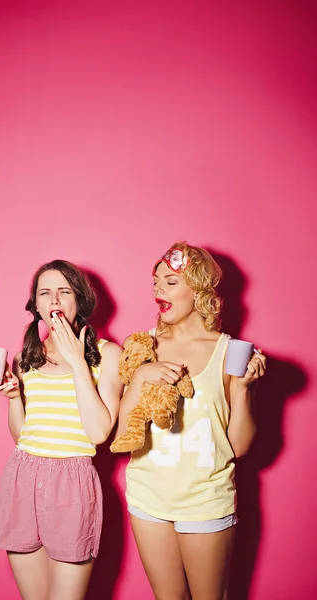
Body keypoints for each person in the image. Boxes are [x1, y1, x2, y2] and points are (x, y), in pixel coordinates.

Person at [115, 241, 266, 600]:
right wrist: (140, 377)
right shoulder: (141, 347)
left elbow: (239, 447)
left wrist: (243, 390)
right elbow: (123, 433)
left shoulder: (231, 352)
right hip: (147, 497)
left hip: (205, 498)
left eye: (169, 282)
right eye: (155, 283)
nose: (157, 291)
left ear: (198, 289)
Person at [0, 260, 123, 600]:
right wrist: (15, 398)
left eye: (64, 292)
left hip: (73, 484)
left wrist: (78, 361)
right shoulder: (25, 359)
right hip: (23, 478)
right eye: (45, 293)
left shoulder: (108, 356)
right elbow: (23, 437)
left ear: (79, 300)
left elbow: (98, 433)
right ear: (35, 305)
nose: (54, 301)